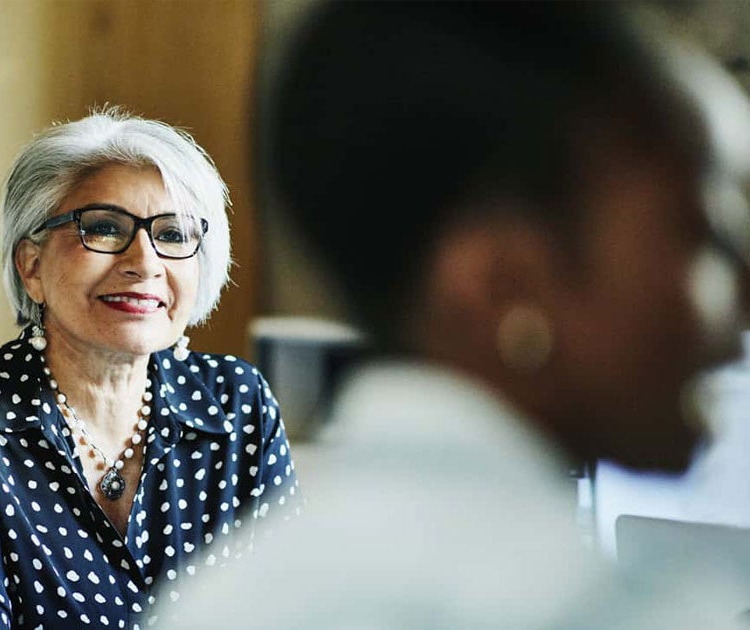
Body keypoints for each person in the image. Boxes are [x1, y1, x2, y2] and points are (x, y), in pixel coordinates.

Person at [161, 1, 750, 628]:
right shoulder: (604, 609)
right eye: (706, 237)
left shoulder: (229, 597)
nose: (744, 298)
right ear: (504, 285)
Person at [0, 106, 301, 630]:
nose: (145, 262)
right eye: (103, 228)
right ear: (31, 265)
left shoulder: (238, 403)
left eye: (172, 234)